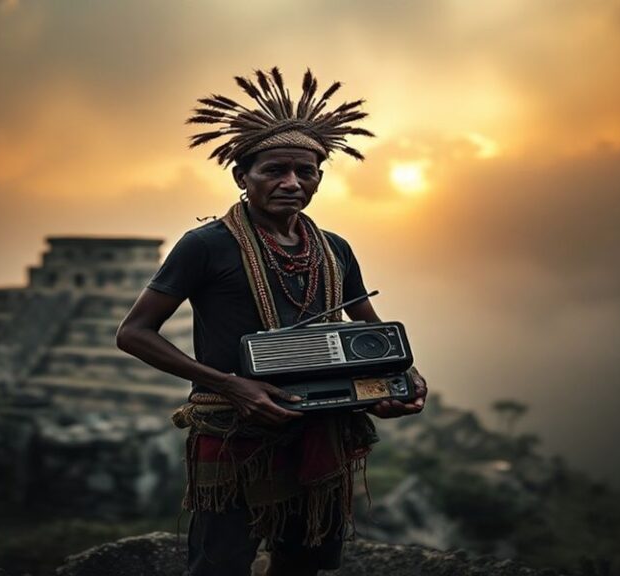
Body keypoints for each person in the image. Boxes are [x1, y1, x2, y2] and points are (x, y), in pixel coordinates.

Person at [116, 67, 428, 576]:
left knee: (303, 562)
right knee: (219, 566)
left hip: (321, 430)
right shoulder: (207, 246)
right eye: (275, 170)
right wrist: (231, 385)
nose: (292, 183)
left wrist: (401, 382)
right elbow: (133, 333)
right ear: (242, 177)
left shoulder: (334, 249)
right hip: (236, 432)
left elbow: (372, 332)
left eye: (306, 172)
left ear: (320, 178)